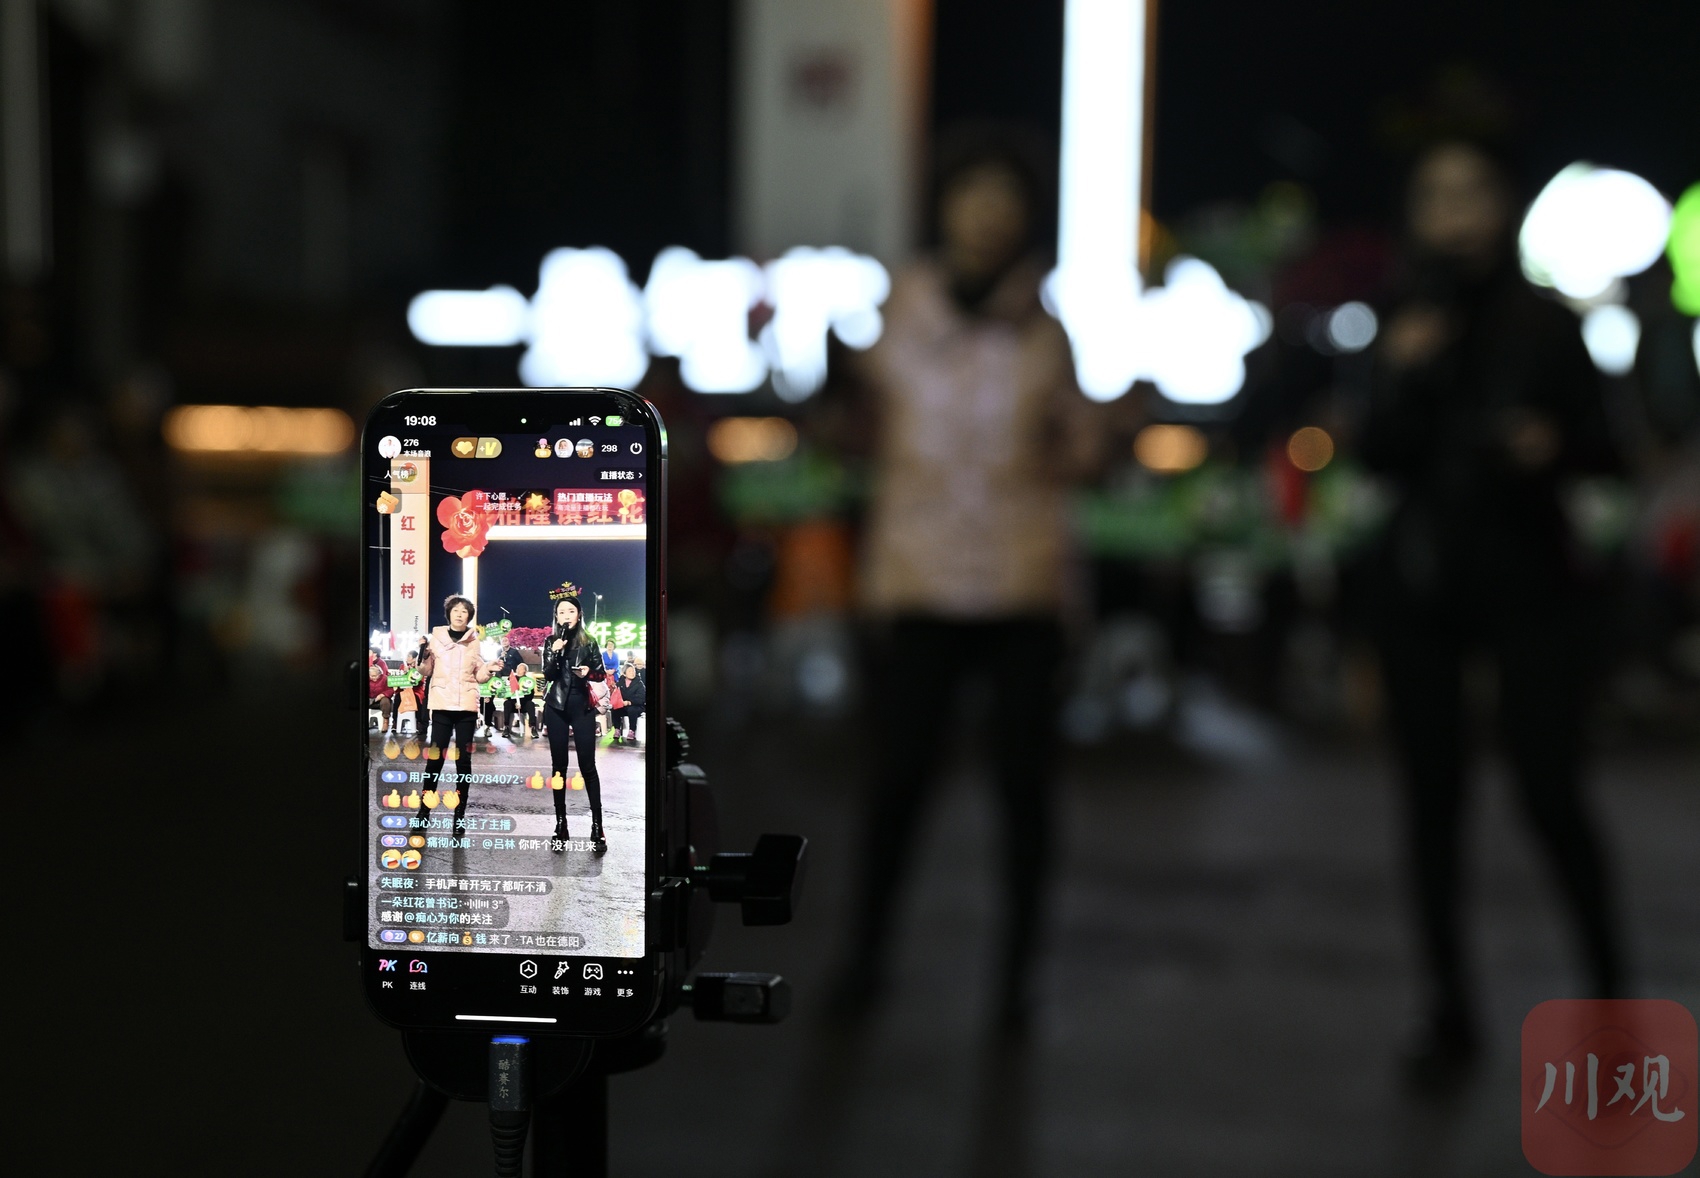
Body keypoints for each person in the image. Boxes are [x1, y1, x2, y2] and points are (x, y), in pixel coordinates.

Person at [1361, 138, 1624, 1085]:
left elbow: (1607, 449)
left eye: (1471, 192)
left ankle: (1611, 1006)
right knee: (1432, 804)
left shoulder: (1544, 322)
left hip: (1531, 584)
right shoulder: (1402, 320)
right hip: (1423, 588)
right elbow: (1374, 452)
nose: (1455, 213)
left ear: (1504, 204)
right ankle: (1448, 1012)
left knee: (1550, 790)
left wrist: (1547, 445)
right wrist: (1400, 372)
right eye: (1436, 194)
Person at [832, 136, 1101, 1033]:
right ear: (943, 209)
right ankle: (864, 962)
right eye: (972, 193)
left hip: (1024, 587)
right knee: (897, 784)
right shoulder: (894, 322)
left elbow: (1076, 451)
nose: (988, 214)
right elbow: (854, 435)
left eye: (1005, 197)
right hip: (916, 584)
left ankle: (1018, 982)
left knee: (1025, 795)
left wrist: (1098, 434)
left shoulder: (1047, 333)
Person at [423, 595, 501, 832]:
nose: (459, 614)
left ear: (469, 617)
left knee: (463, 761)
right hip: (441, 705)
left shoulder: (474, 642)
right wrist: (422, 656)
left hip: (466, 707)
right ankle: (424, 811)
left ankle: (459, 815)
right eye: (455, 610)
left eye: (464, 611)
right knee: (435, 759)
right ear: (448, 613)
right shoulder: (435, 639)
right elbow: (426, 671)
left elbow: (479, 675)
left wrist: (489, 668)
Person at [542, 585, 606, 853]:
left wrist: (588, 672)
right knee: (559, 767)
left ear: (579, 615)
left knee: (587, 766)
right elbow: (548, 675)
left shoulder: (589, 640)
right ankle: (561, 824)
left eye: (571, 611)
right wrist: (556, 651)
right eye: (561, 612)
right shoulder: (550, 641)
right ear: (556, 617)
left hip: (582, 708)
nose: (566, 615)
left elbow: (601, 673)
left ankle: (597, 826)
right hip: (556, 707)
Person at [611, 661, 646, 744]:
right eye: (630, 671)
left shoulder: (639, 683)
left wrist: (629, 702)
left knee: (632, 710)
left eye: (633, 671)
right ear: (624, 673)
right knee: (614, 708)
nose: (632, 673)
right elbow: (618, 696)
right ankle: (617, 729)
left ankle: (632, 730)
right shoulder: (620, 682)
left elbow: (641, 698)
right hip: (623, 705)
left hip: (636, 706)